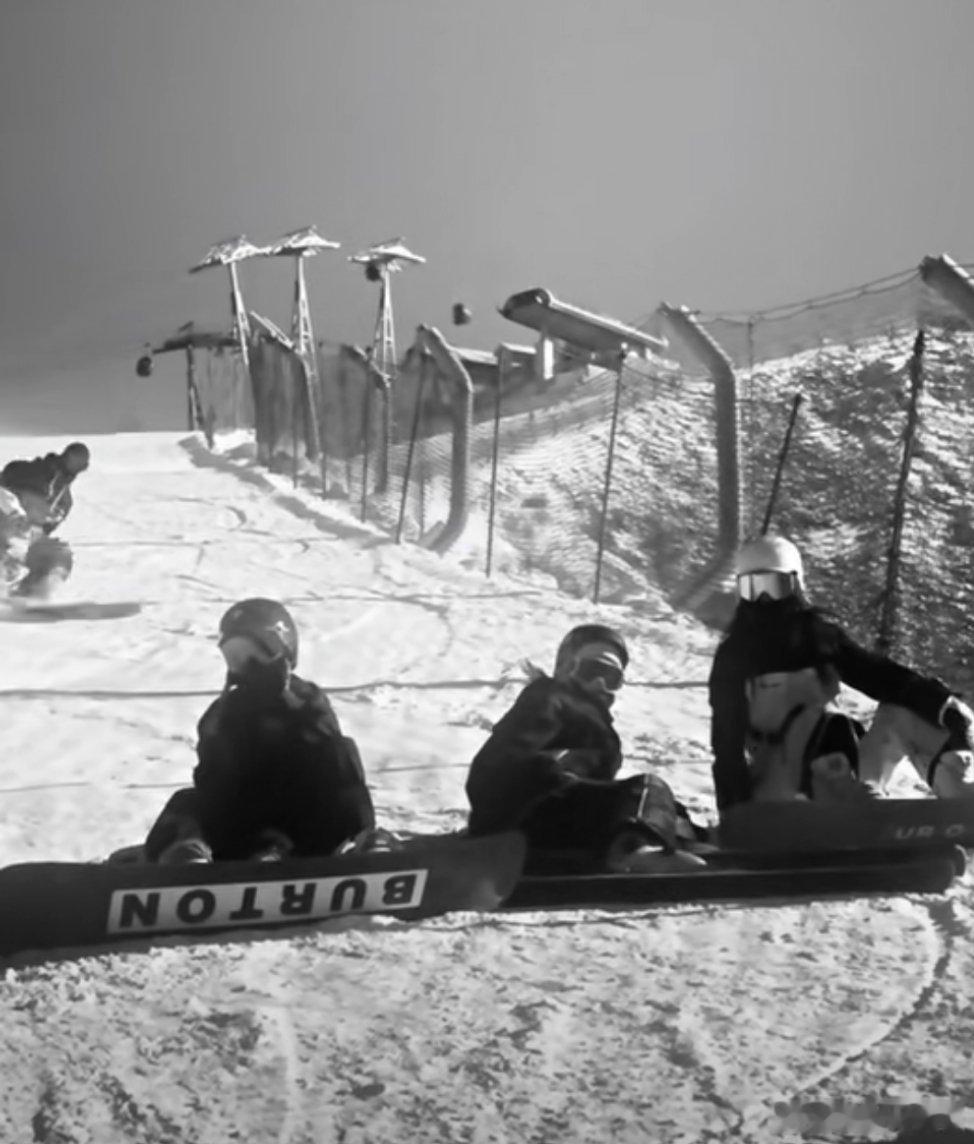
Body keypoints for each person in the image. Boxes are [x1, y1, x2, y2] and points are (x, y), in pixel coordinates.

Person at [709, 533, 974, 810]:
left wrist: (941, 704)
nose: (764, 599)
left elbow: (882, 677)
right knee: (823, 726)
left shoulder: (820, 639)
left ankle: (961, 802)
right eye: (752, 588)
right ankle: (853, 808)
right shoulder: (734, 657)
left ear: (795, 585)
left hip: (837, 771)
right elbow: (726, 739)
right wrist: (734, 810)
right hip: (778, 793)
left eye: (774, 586)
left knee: (899, 714)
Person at [142, 598, 376, 863]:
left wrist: (287, 709)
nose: (244, 667)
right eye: (235, 659)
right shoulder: (223, 713)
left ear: (279, 653)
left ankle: (362, 841)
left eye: (252, 656)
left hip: (307, 830)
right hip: (242, 832)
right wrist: (226, 740)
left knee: (342, 751)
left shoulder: (306, 704)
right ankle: (184, 855)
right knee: (187, 801)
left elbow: (331, 770)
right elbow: (211, 785)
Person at [465, 623, 708, 873]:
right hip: (526, 814)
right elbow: (495, 765)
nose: (601, 684)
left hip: (560, 823)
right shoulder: (549, 697)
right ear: (565, 667)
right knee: (647, 787)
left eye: (612, 677)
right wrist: (551, 777)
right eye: (592, 670)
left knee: (659, 804)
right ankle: (633, 851)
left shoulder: (591, 719)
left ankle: (685, 844)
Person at [0, 441, 88, 598]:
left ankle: (29, 594)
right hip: (7, 522)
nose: (74, 465)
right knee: (14, 545)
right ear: (65, 456)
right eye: (73, 459)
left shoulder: (64, 500)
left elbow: (45, 529)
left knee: (59, 556)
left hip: (27, 533)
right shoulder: (32, 470)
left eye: (79, 464)